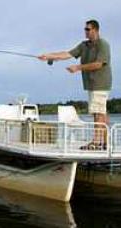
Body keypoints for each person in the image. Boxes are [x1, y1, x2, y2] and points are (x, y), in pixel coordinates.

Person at [38, 19, 112, 150]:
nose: (85, 31)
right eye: (85, 29)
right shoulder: (84, 45)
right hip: (91, 84)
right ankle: (105, 143)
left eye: (88, 29)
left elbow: (98, 64)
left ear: (95, 30)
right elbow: (67, 54)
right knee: (101, 112)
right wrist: (49, 56)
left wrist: (77, 68)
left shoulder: (103, 44)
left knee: (97, 112)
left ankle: (96, 142)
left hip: (100, 83)